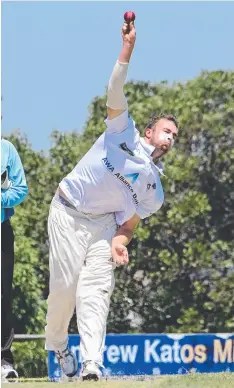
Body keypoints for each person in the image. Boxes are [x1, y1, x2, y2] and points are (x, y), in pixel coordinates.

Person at [45, 19, 178, 381]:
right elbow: (114, 87)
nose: (170, 139)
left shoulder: (154, 191)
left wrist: (119, 242)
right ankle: (58, 346)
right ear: (150, 131)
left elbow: (128, 224)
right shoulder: (123, 132)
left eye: (175, 136)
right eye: (167, 131)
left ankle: (91, 362)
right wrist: (127, 48)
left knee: (96, 292)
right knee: (64, 291)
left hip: (103, 226)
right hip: (68, 212)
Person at [1, 138, 28, 382]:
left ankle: (4, 360)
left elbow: (20, 189)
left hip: (1, 230)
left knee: (2, 297)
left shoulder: (6, 149)